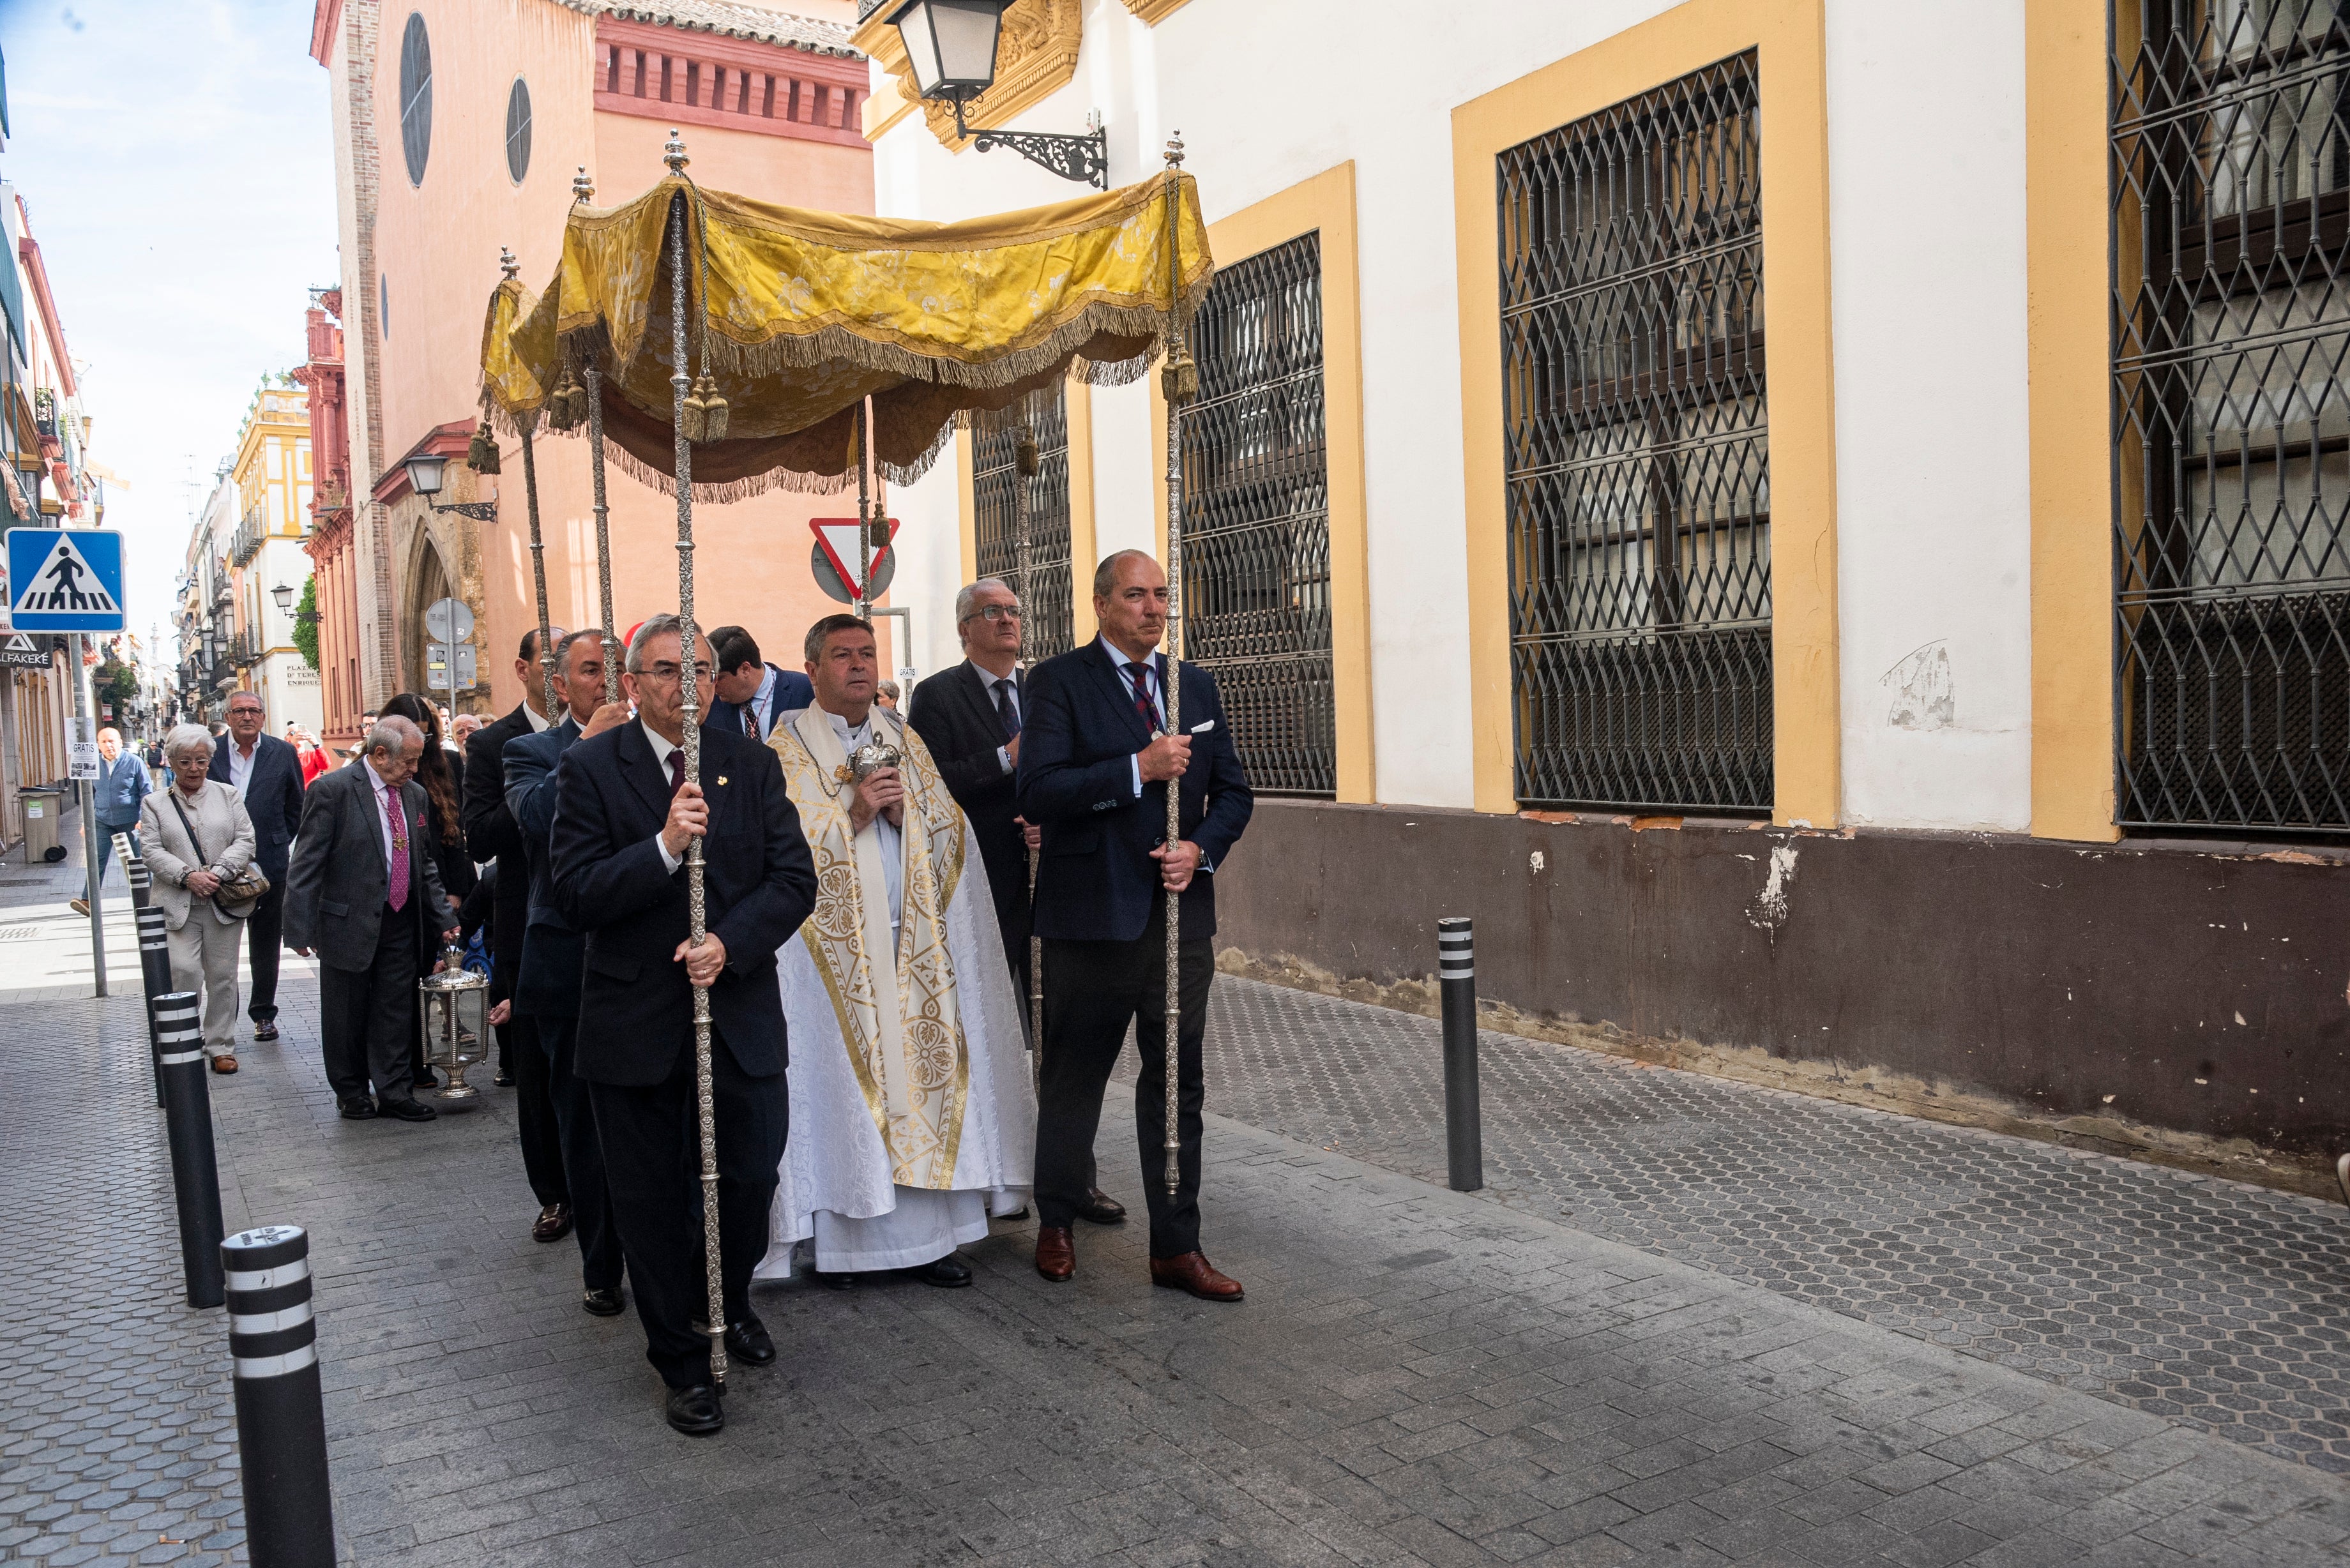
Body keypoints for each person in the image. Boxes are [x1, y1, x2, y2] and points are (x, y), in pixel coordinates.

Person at [550, 615, 816, 1436]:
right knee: (653, 1202)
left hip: (735, 1015)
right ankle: (681, 1359)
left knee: (748, 1175)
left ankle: (726, 1300)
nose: (687, 684)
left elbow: (793, 879)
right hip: (636, 1023)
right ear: (632, 685)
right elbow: (575, 893)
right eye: (667, 670)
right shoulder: (592, 767)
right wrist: (664, 846)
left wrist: (728, 944)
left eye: (699, 668)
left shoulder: (751, 762)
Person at [757, 615, 1035, 1292]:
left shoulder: (900, 737)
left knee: (925, 1083)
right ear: (813, 668)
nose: (857, 665)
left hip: (914, 953)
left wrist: (907, 816)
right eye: (841, 655)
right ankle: (846, 1247)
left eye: (867, 653)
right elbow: (772, 847)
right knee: (847, 1092)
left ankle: (936, 1238)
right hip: (835, 966)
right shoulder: (782, 750)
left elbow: (951, 829)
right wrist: (846, 816)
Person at [1019, 550, 1254, 1300]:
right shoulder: (1057, 681)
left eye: (1160, 595)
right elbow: (1040, 790)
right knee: (1074, 1076)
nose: (1153, 608)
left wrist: (1201, 849)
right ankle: (1056, 1217)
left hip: (1178, 922)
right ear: (1100, 604)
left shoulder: (1197, 684)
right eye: (1135, 595)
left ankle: (1176, 1246)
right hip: (1090, 917)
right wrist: (1136, 768)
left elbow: (1236, 795)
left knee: (1177, 1084)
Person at [910, 578, 1125, 1226]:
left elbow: (1081, 772)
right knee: (984, 1029)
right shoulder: (938, 695)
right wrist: (1006, 759)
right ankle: (987, 1170)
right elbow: (931, 782)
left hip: (1057, 884)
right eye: (991, 612)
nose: (1006, 620)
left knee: (1063, 1037)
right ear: (964, 628)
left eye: (1012, 610)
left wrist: (1049, 816)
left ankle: (1071, 1180)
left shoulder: (1048, 687)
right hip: (978, 889)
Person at [503, 629, 630, 1316]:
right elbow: (536, 820)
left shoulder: (663, 747)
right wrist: (586, 750)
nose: (607, 684)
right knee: (584, 1127)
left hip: (649, 961)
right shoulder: (531, 752)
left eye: (617, 670)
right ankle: (601, 1264)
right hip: (569, 966)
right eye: (590, 671)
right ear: (559, 683)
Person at [283, 716, 459, 1123]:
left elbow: (424, 863)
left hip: (400, 921)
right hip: (347, 922)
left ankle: (395, 1092)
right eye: (408, 762)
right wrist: (299, 927)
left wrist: (443, 915)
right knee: (346, 1013)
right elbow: (306, 864)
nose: (415, 770)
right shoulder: (333, 791)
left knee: (395, 1010)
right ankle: (352, 1093)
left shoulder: (413, 795)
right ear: (380, 755)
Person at [463, 629, 572, 1241]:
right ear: (523, 669)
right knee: (534, 1068)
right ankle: (553, 1193)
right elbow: (481, 837)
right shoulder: (492, 743)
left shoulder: (619, 737)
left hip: (595, 918)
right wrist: (553, 773)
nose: (561, 677)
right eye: (550, 664)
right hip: (528, 922)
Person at [139, 724, 259, 1074]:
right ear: (171, 762)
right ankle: (184, 1039)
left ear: (210, 762)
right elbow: (150, 851)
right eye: (185, 761)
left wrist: (218, 872)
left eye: (201, 761)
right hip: (177, 903)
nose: (194, 769)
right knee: (184, 971)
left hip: (224, 901)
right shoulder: (155, 804)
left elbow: (246, 840)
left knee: (223, 976)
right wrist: (187, 876)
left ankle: (220, 1044)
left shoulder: (228, 795)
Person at [214, 691, 307, 1044]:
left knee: (266, 944)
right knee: (223, 947)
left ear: (264, 716)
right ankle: (224, 1020)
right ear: (229, 715)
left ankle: (264, 1015)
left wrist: (277, 840)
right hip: (218, 863)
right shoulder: (211, 752)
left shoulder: (282, 753)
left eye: (254, 710)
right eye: (240, 711)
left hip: (269, 863)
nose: (247, 717)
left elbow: (296, 805)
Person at [80, 726, 151, 914]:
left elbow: (146, 792)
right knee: (96, 860)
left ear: (120, 742)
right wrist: (84, 822)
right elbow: (87, 795)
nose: (108, 745)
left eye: (112, 741)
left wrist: (144, 818)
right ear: (98, 745)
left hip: (130, 820)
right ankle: (88, 900)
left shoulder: (134, 762)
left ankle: (149, 900)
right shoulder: (93, 764)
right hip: (102, 820)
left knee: (137, 862)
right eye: (104, 742)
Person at [706, 625, 814, 742]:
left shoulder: (807, 691)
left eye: (719, 678)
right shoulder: (708, 703)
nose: (711, 684)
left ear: (745, 669)